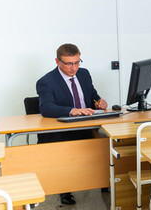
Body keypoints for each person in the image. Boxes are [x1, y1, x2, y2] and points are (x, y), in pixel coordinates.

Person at [35, 43, 108, 205]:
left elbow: (93, 96)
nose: (73, 67)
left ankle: (104, 180)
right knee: (66, 149)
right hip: (63, 129)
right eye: (68, 63)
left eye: (76, 62)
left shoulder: (84, 74)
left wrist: (99, 102)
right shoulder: (46, 81)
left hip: (87, 125)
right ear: (57, 61)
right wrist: (72, 110)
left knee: (108, 141)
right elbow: (46, 108)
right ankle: (65, 188)